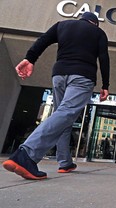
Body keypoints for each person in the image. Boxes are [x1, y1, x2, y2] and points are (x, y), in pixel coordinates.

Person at [2, 12, 110, 180]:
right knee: (65, 113)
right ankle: (27, 154)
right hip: (82, 76)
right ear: (95, 23)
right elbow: (104, 58)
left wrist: (30, 59)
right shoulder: (98, 33)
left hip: (59, 75)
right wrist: (105, 85)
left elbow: (43, 41)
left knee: (62, 115)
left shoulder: (62, 25)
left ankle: (65, 162)